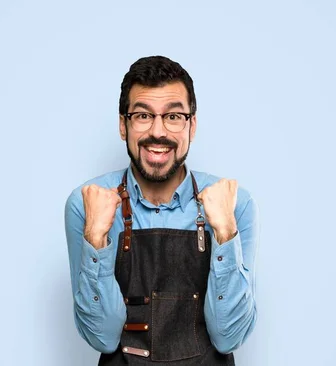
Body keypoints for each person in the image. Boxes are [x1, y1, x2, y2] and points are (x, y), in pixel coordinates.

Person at [64, 56, 258, 365]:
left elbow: (228, 338)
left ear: (191, 125)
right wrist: (95, 238)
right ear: (122, 125)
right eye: (143, 115)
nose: (158, 131)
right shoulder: (86, 203)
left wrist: (224, 232)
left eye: (173, 116)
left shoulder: (234, 203)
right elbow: (102, 336)